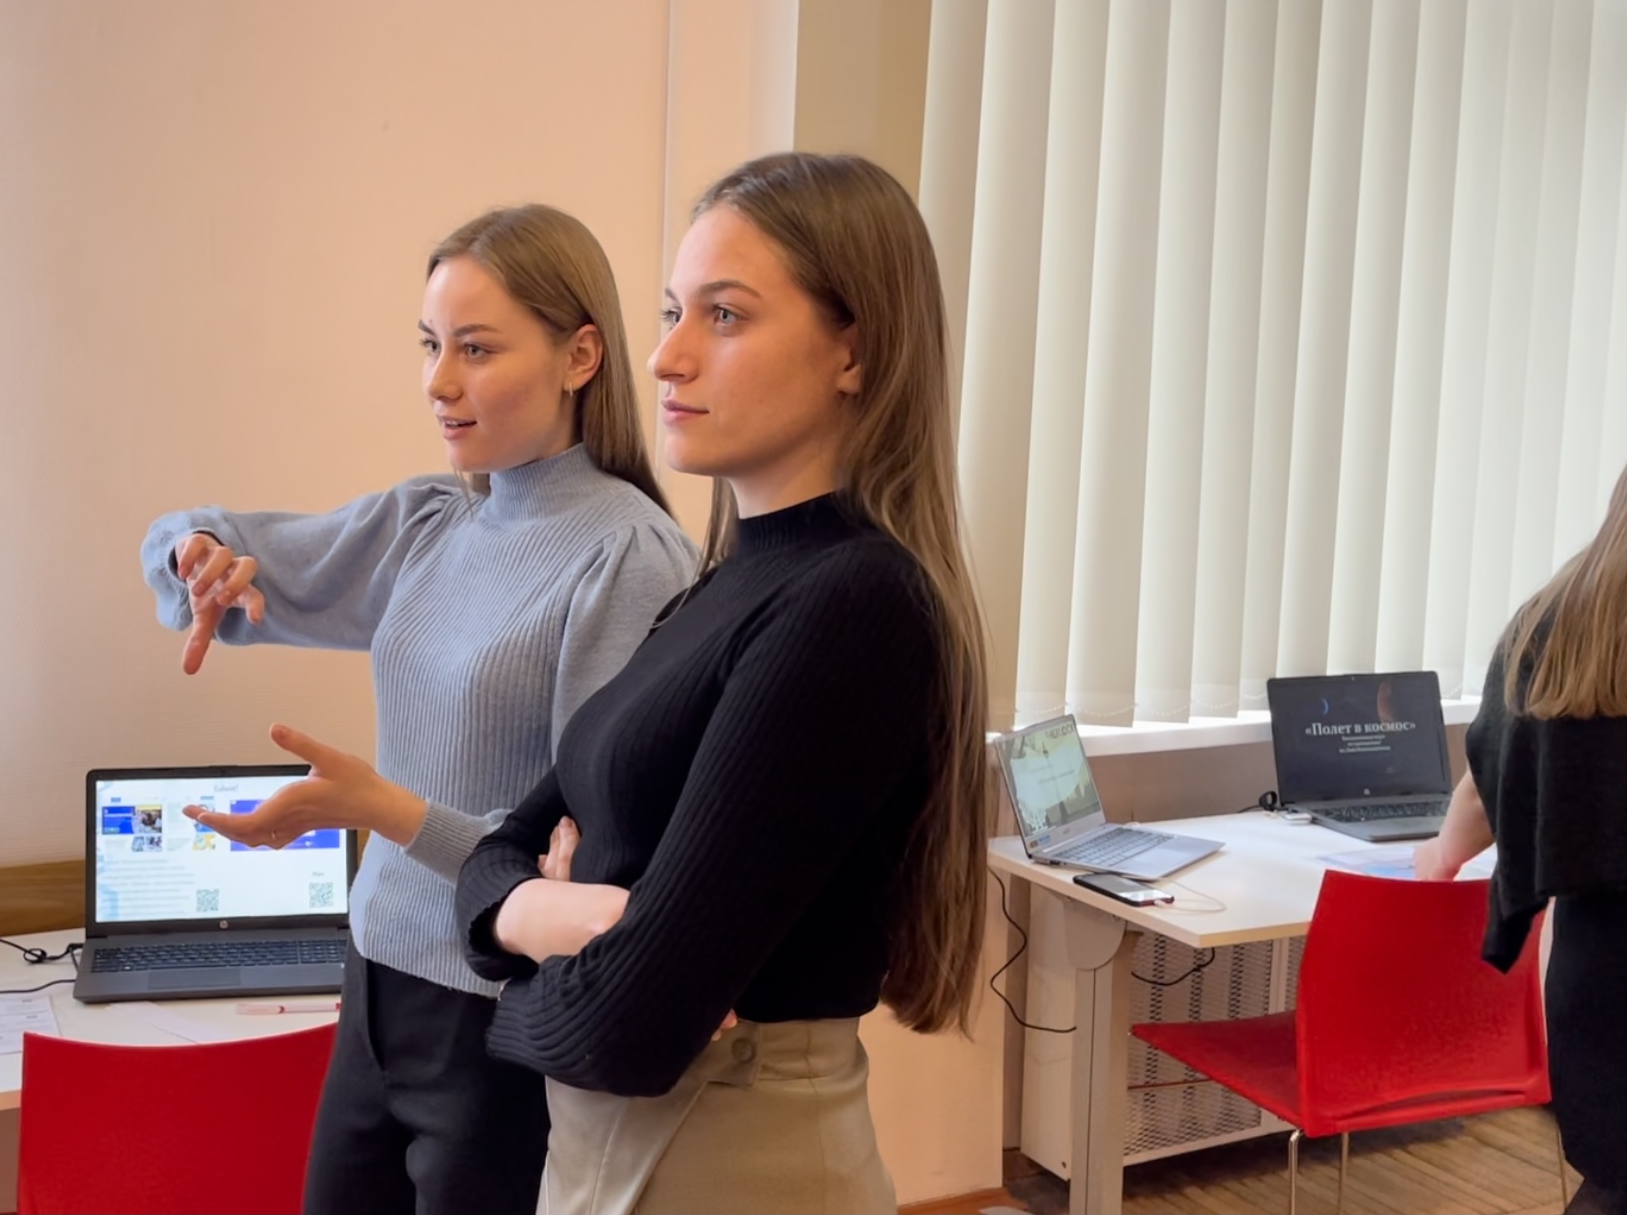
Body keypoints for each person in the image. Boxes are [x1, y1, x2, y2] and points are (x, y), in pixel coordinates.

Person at [453, 152, 994, 1214]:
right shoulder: (719, 587)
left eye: (725, 316)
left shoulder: (853, 603)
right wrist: (550, 915)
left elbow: (629, 1025)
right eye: (671, 312)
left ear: (854, 351)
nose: (665, 356)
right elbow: (495, 851)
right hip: (621, 1148)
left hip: (731, 1155)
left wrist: (519, 959)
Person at [140, 204, 696, 1215]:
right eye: (430, 345)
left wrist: (381, 809)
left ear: (579, 356)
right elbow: (209, 541)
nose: (439, 382)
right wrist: (196, 557)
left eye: (475, 349)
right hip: (373, 978)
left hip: (495, 1019)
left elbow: (591, 867)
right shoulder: (432, 522)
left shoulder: (628, 557)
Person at [1414, 415, 1627, 1215]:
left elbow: (1490, 776)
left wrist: (1440, 856)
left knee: (1625, 1176)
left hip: (1604, 972)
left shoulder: (1553, 621)